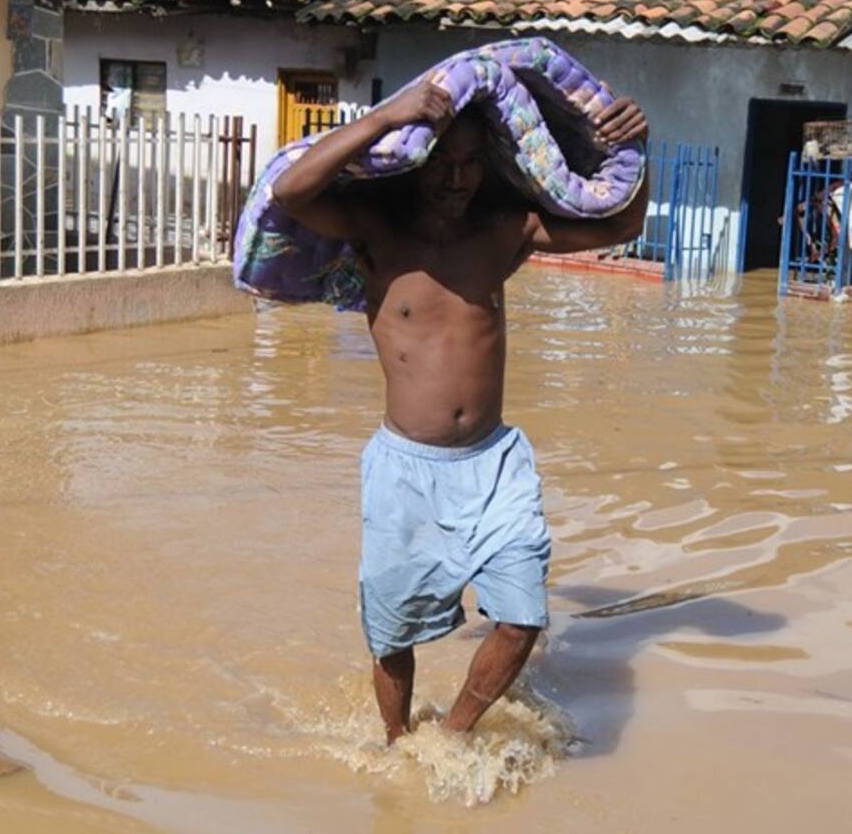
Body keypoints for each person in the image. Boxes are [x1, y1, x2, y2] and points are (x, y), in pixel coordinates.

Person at [273, 79, 650, 744]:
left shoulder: (506, 230)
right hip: (404, 474)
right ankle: (395, 749)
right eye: (442, 162)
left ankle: (451, 736)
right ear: (415, 161)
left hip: (495, 464)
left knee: (522, 617)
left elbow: (622, 223)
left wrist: (637, 149)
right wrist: (391, 114)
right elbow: (291, 191)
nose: (456, 178)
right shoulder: (377, 231)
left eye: (471, 163)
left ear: (492, 165)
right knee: (393, 636)